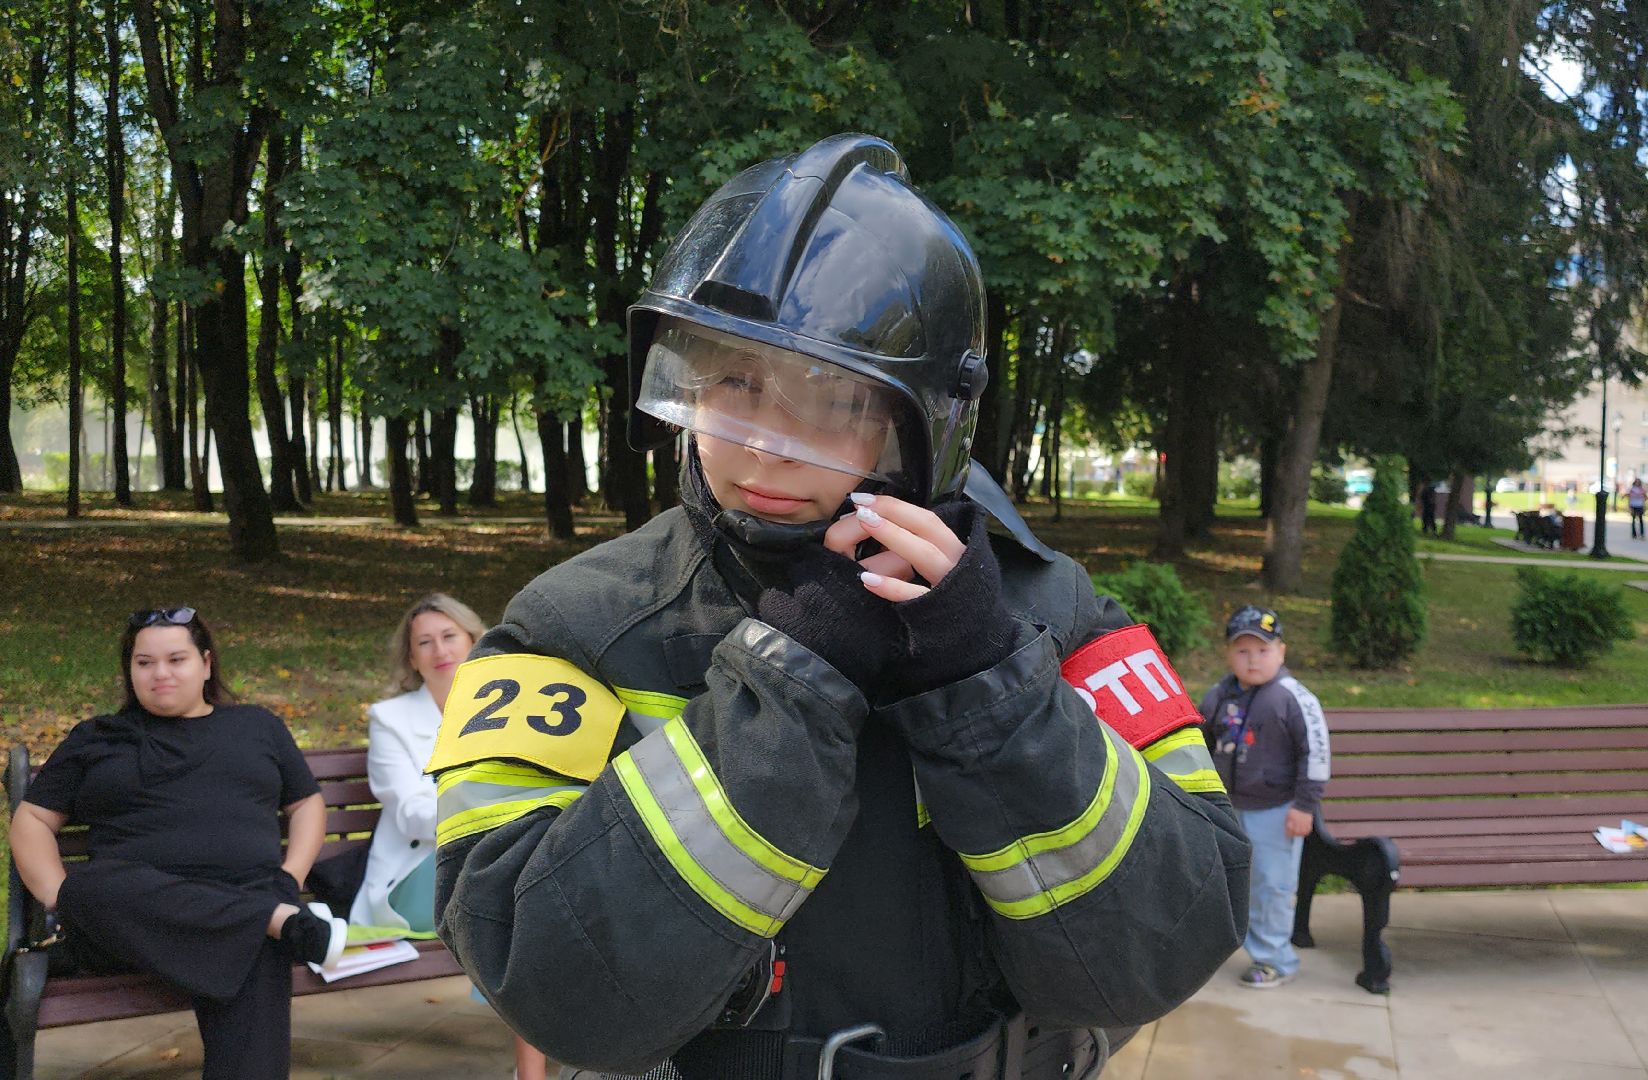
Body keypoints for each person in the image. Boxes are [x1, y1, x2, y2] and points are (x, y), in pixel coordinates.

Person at [429, 134, 1248, 1080]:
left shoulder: (1051, 612)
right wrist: (791, 686)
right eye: (733, 382)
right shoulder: (575, 629)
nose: (766, 446)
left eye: (831, 397)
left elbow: (1167, 947)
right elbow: (549, 988)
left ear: (926, 422)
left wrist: (992, 686)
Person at [8, 607, 348, 1080]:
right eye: (144, 662)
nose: (160, 673)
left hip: (248, 896)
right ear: (130, 671)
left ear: (206, 664)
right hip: (134, 916)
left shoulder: (257, 727)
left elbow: (307, 803)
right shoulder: (98, 738)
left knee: (251, 944)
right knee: (88, 888)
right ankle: (270, 921)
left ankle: (264, 919)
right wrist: (55, 894)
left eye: (176, 659)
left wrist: (289, 876)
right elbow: (32, 820)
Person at [351, 593, 550, 1080]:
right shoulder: (391, 720)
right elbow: (413, 817)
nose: (440, 650)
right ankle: (534, 1072)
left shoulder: (509, 708)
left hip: (493, 859)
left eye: (449, 637)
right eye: (424, 642)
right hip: (419, 880)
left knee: (526, 883)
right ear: (412, 658)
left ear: (474, 642)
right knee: (514, 894)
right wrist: (495, 805)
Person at [1198, 606, 1330, 990]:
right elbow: (1200, 743)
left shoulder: (1294, 698)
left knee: (1272, 885)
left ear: (1281, 652)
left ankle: (1275, 959)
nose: (1253, 659)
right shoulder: (1219, 695)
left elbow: (1316, 755)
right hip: (1227, 808)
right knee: (1225, 882)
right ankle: (1216, 947)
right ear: (1228, 654)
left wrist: (1305, 806)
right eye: (1242, 651)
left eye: (1263, 650)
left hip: (1276, 810)